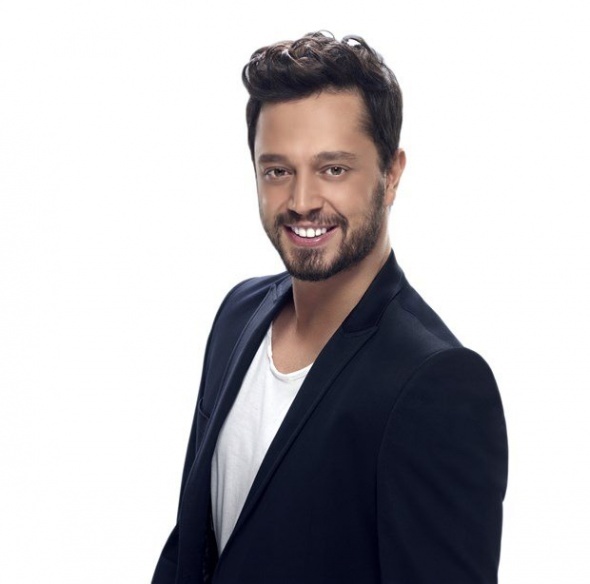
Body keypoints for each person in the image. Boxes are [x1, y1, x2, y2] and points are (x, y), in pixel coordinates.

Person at [152, 31, 508, 584]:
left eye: (333, 169)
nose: (301, 201)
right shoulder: (238, 315)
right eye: (277, 170)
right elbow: (192, 546)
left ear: (391, 175)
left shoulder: (438, 383)